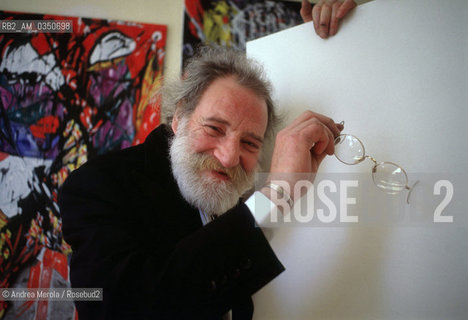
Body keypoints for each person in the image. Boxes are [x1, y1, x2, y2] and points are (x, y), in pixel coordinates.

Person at [59, 1, 355, 319]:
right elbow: (120, 306)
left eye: (250, 143)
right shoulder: (97, 184)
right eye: (214, 128)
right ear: (179, 117)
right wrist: (275, 195)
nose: (229, 157)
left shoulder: (228, 200)